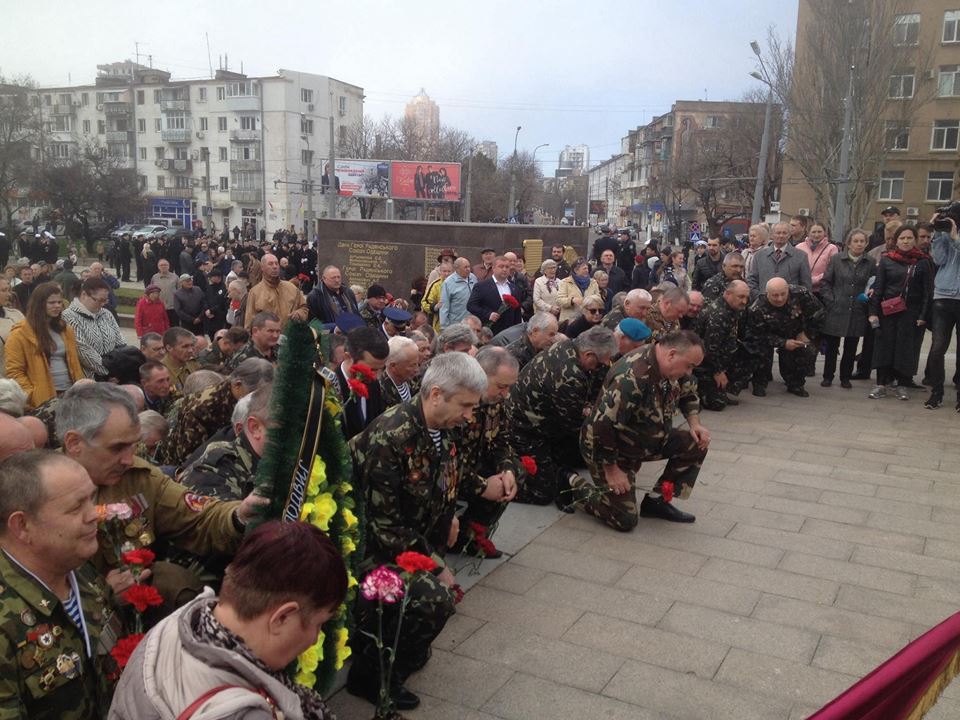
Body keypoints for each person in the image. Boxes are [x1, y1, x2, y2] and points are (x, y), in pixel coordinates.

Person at [347, 353, 489, 711]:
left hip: (414, 536)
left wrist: (454, 514)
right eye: (465, 406)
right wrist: (436, 565)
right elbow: (385, 528)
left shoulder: (443, 426)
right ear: (436, 394)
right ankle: (371, 675)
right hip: (373, 550)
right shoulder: (390, 435)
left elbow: (447, 475)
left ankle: (398, 647)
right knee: (435, 601)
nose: (469, 416)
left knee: (432, 602)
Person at [109, 520, 345, 720]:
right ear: (282, 617)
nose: (315, 639)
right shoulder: (246, 715)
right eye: (318, 624)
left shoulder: (173, 626)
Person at [58, 383, 264, 603]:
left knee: (173, 580)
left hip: (138, 607)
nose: (128, 459)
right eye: (117, 448)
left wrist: (239, 515)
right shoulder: (41, 496)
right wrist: (100, 596)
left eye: (133, 446)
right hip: (77, 615)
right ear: (74, 443)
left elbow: (197, 517)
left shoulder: (139, 478)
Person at [0, 450, 122, 719]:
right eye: (76, 507)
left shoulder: (82, 572)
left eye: (91, 498)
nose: (94, 515)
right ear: (22, 526)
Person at [576, 330, 710, 529]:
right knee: (624, 519)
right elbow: (602, 425)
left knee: (695, 443)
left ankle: (657, 501)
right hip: (610, 449)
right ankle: (571, 485)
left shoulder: (672, 366)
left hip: (647, 439)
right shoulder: (633, 376)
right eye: (689, 366)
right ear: (672, 354)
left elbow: (689, 394)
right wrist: (612, 470)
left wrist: (695, 424)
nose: (689, 372)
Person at [505, 326, 617, 508]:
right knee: (542, 492)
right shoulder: (570, 375)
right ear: (588, 355)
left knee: (578, 458)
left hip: (545, 419)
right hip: (524, 429)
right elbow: (575, 426)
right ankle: (492, 479)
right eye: (599, 365)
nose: (599, 369)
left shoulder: (570, 345)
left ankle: (555, 464)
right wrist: (608, 454)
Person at [451, 346, 520, 558]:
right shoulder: (455, 402)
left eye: (509, 387)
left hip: (474, 465)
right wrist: (482, 486)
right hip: (448, 474)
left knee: (515, 473)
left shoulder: (496, 402)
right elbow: (445, 461)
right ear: (480, 375)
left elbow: (501, 441)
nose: (506, 394)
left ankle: (471, 537)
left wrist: (507, 470)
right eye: (501, 386)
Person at [158, 357, 273, 466]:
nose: (260, 398)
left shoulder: (238, 396)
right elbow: (191, 459)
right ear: (238, 385)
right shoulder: (203, 408)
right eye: (255, 393)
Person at [867, 225, 933, 401]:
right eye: (902, 238)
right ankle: (881, 384)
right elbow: (878, 288)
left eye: (909, 238)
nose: (905, 241)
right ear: (896, 241)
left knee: (905, 349)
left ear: (915, 240)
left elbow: (927, 292)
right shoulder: (887, 260)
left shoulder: (923, 262)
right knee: (884, 347)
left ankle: (902, 384)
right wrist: (873, 312)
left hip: (911, 313)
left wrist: (923, 315)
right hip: (888, 311)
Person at [5, 282, 83, 408]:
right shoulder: (19, 334)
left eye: (59, 302)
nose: (57, 306)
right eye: (52, 303)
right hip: (43, 399)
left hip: (71, 392)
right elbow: (15, 372)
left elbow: (75, 362)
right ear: (39, 304)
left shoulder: (66, 329)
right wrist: (32, 395)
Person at [747, 278, 824, 397]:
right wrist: (783, 343)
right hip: (769, 336)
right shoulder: (757, 308)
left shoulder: (801, 294)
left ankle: (795, 384)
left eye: (783, 294)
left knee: (807, 351)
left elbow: (819, 314)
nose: (780, 299)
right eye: (775, 295)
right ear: (767, 294)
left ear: (788, 289)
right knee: (758, 350)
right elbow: (757, 335)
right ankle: (760, 382)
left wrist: (807, 334)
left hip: (794, 332)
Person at [819, 228, 873, 389]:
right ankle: (828, 376)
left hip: (857, 310)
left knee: (851, 347)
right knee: (832, 346)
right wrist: (831, 300)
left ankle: (845, 377)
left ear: (866, 243)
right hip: (836, 308)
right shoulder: (837, 260)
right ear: (849, 243)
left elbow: (873, 283)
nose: (859, 244)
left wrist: (867, 299)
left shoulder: (870, 262)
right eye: (855, 241)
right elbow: (825, 282)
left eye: (862, 241)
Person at [694, 280, 753, 411]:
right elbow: (709, 349)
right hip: (704, 364)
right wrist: (718, 372)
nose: (744, 301)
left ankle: (722, 390)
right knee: (717, 404)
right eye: (741, 297)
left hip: (723, 357)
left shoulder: (731, 308)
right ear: (727, 294)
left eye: (746, 297)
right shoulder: (719, 315)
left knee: (752, 354)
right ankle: (700, 393)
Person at [925, 215, 960, 410]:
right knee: (937, 348)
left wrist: (956, 239)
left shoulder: (953, 236)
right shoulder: (945, 234)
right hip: (943, 296)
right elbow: (938, 259)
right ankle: (936, 392)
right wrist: (938, 233)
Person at [62, 276, 127, 378]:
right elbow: (84, 353)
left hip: (115, 375)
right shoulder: (69, 317)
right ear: (84, 295)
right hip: (89, 379)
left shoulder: (106, 314)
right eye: (100, 300)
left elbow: (121, 343)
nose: (103, 304)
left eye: (105, 300)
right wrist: (111, 373)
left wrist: (123, 366)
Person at [334, 326, 389, 440]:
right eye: (371, 369)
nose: (376, 376)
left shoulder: (374, 385)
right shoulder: (331, 389)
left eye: (382, 368)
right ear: (348, 357)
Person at [746, 222, 813, 296]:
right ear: (772, 235)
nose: (781, 236)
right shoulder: (759, 256)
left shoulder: (801, 256)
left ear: (789, 235)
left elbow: (806, 285)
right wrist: (759, 297)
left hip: (790, 302)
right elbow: (752, 280)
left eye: (784, 233)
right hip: (764, 301)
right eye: (778, 233)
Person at [467, 255, 523, 334]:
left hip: (509, 332)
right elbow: (471, 306)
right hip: (489, 331)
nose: (504, 269)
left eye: (507, 267)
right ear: (493, 268)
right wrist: (488, 314)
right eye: (501, 266)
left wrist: (517, 331)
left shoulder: (514, 288)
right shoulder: (481, 286)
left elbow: (517, 312)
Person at [795, 222, 839, 297]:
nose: (816, 235)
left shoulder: (832, 248)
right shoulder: (799, 247)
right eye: (813, 232)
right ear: (808, 233)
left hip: (822, 291)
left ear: (824, 232)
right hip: (802, 289)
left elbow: (832, 270)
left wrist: (813, 280)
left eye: (819, 232)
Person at [379, 335, 420, 408]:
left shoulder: (415, 380)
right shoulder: (380, 391)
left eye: (417, 364)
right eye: (412, 365)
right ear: (393, 366)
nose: (417, 369)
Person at [557, 258, 599, 324]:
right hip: (569, 321)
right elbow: (559, 300)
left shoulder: (593, 283)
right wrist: (571, 301)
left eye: (587, 268)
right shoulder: (565, 282)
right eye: (584, 269)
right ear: (576, 270)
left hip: (588, 320)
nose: (587, 270)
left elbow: (598, 299)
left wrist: (591, 302)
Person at [439, 257, 477, 328]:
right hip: (457, 324)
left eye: (469, 266)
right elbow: (444, 307)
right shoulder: (448, 283)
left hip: (472, 323)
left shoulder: (473, 278)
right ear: (457, 269)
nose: (468, 269)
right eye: (465, 267)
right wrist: (444, 327)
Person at [161, 327, 200, 392]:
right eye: (185, 346)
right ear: (169, 348)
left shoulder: (194, 364)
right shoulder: (160, 370)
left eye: (192, 345)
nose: (190, 350)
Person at [0, 276, 25, 378]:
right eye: (3, 290)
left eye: (8, 290)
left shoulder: (17, 314)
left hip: (23, 377)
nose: (8, 294)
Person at [150, 258, 179, 328]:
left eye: (165, 265)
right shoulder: (154, 277)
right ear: (158, 267)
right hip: (158, 307)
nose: (163, 266)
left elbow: (180, 291)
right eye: (161, 265)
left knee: (173, 328)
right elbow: (150, 292)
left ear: (169, 266)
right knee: (160, 327)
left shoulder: (175, 277)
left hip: (172, 308)